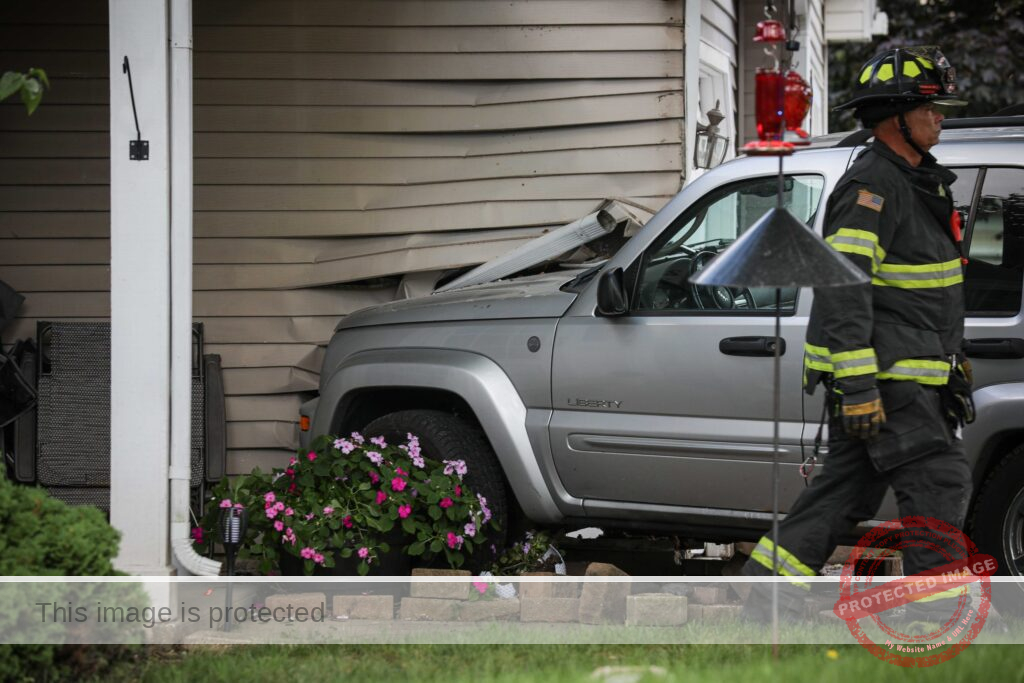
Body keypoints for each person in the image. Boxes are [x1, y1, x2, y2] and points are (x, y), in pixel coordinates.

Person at [741, 46, 976, 626]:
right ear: (895, 117)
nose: (941, 117)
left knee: (842, 494)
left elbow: (925, 291)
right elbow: (844, 290)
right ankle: (934, 622)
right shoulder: (872, 187)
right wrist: (861, 385)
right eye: (932, 109)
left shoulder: (914, 181)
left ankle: (764, 602)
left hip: (908, 373)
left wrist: (953, 360)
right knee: (939, 481)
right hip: (888, 380)